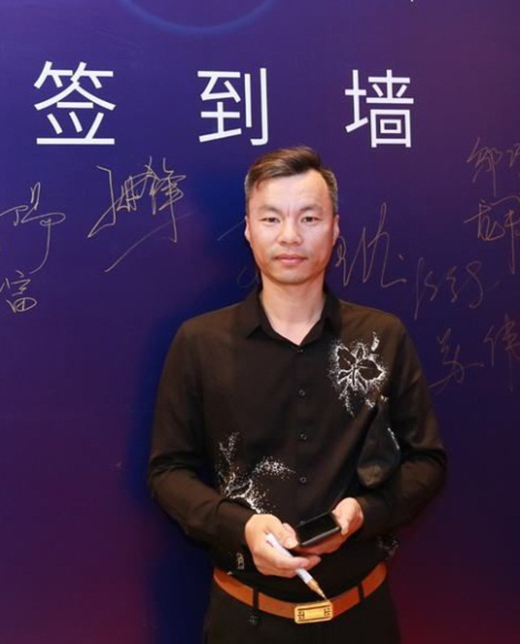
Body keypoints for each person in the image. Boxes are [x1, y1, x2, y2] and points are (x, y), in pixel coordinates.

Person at [148, 146, 447, 643]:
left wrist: (363, 513)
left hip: (362, 616)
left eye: (309, 218)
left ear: (335, 228)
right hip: (244, 618)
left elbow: (427, 462)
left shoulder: (383, 336)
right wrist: (241, 527)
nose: (290, 235)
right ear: (248, 228)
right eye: (271, 218)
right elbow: (168, 472)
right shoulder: (199, 343)